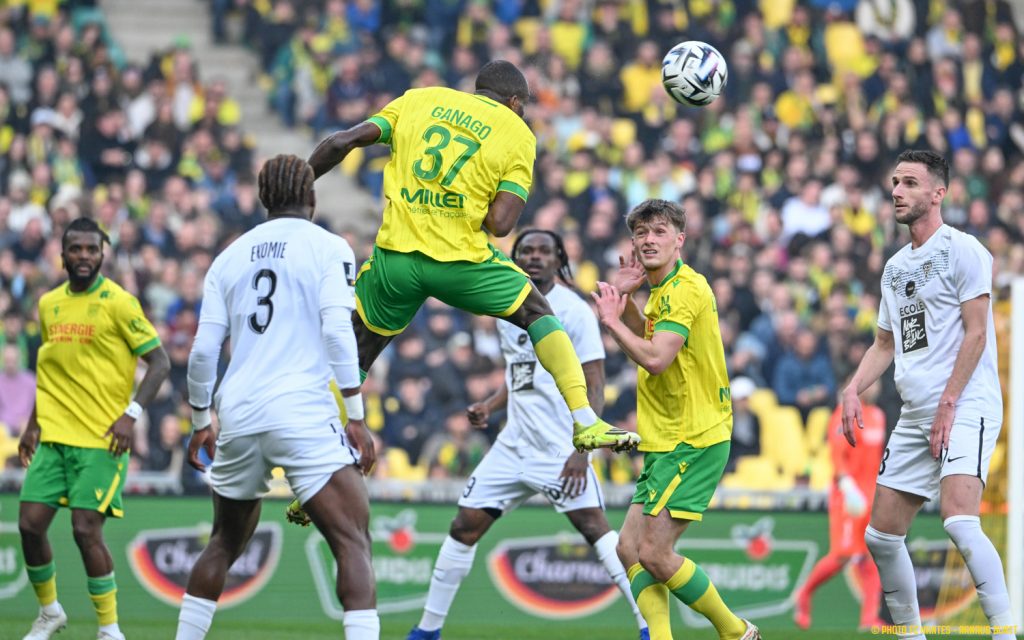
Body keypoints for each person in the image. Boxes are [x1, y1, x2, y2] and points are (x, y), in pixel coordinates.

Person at [306, 59, 638, 454]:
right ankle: (585, 421)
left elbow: (343, 141)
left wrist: (299, 187)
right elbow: (500, 224)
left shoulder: (418, 100)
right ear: (515, 102)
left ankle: (320, 440)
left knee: (359, 349)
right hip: (459, 263)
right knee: (537, 311)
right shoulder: (516, 131)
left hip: (396, 261)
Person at [405, 229, 649, 640]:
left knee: (597, 530)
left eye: (543, 251)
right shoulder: (508, 303)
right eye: (526, 251)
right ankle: (427, 631)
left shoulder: (573, 311)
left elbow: (595, 383)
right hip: (513, 445)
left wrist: (582, 452)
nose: (534, 257)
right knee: (463, 526)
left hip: (560, 448)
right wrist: (491, 404)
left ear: (559, 259)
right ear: (515, 259)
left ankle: (648, 627)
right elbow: (521, 370)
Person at [174, 155, 379, 640]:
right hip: (302, 410)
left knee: (223, 542)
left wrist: (201, 420)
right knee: (352, 541)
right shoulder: (330, 246)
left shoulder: (228, 258)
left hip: (238, 412)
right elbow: (337, 331)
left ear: (263, 198)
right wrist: (355, 415)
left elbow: (202, 351)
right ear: (311, 196)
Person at [842, 149, 1014, 640]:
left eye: (910, 183)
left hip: (965, 405)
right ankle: (911, 636)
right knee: (881, 536)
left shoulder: (964, 250)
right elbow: (885, 344)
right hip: (917, 412)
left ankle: (1005, 634)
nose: (897, 191)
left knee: (959, 522)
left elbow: (976, 333)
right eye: (895, 183)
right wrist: (853, 388)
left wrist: (948, 403)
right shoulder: (895, 268)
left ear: (939, 193)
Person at [592, 199, 760, 640]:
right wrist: (626, 300)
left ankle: (736, 631)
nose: (648, 240)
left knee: (654, 553)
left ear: (679, 240)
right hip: (666, 437)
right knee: (628, 548)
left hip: (694, 437)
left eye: (659, 232)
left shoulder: (685, 289)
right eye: (641, 233)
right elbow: (648, 334)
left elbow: (656, 359)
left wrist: (611, 321)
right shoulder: (661, 291)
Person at [17, 217, 171, 640]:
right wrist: (32, 426)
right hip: (54, 437)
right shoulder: (49, 304)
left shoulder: (119, 302)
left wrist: (131, 415)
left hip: (102, 440)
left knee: (85, 529)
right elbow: (52, 371)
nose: (84, 256)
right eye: (76, 249)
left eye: (92, 249)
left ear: (102, 254)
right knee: (29, 525)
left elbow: (160, 362)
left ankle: (109, 628)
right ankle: (49, 612)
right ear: (62, 255)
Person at [794, 382, 886, 631]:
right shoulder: (844, 414)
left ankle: (869, 619)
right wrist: (846, 484)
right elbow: (837, 453)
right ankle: (804, 593)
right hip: (848, 496)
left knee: (871, 557)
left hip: (871, 496)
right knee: (842, 555)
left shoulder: (878, 415)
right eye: (871, 383)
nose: (875, 387)